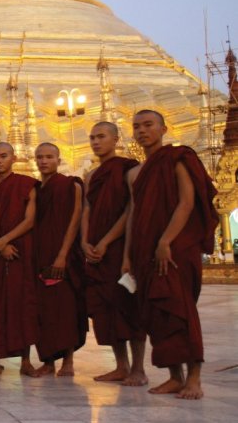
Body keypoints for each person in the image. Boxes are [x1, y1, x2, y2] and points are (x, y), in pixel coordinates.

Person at [124, 110, 216, 399]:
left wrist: (166, 240)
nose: (142, 131)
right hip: (146, 251)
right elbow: (134, 215)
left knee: (181, 310)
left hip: (175, 248)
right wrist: (128, 255)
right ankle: (175, 376)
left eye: (148, 125)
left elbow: (187, 202)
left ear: (164, 128)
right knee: (157, 314)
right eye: (136, 127)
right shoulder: (138, 173)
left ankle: (195, 378)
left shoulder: (178, 158)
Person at [81, 122, 146, 385]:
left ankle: (138, 369)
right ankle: (121, 365)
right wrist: (84, 241)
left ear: (116, 139)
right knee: (105, 310)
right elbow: (87, 209)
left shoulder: (127, 168)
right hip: (95, 249)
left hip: (120, 248)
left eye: (101, 137)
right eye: (92, 137)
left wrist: (107, 241)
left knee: (129, 307)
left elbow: (130, 210)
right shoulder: (92, 176)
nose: (96, 142)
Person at [0, 142, 39, 377]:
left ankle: (26, 360)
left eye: (3, 156)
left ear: (13, 158)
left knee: (22, 303)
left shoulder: (26, 185)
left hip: (19, 250)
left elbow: (29, 220)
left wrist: (5, 240)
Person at [33, 143, 87, 377]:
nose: (44, 161)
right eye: (40, 157)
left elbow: (75, 218)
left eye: (49, 157)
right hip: (40, 254)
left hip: (63, 255)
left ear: (58, 159)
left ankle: (68, 361)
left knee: (65, 309)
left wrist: (63, 255)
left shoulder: (70, 185)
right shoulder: (36, 189)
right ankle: (48, 361)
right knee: (43, 311)